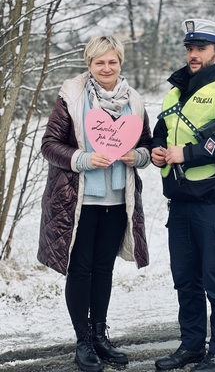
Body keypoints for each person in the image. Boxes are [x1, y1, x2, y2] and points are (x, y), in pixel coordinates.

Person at [37, 35, 152, 372]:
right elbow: (49, 144)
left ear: (120, 63)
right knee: (81, 269)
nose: (106, 68)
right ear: (88, 64)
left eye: (112, 61)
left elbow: (146, 146)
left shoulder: (135, 101)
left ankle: (101, 335)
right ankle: (83, 340)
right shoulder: (71, 96)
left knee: (104, 269)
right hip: (79, 200)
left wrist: (139, 156)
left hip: (118, 201)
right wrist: (82, 159)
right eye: (99, 62)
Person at [151, 19, 215, 372]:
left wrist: (190, 153)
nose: (193, 55)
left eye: (201, 49)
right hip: (179, 203)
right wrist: (156, 150)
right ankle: (192, 346)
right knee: (186, 281)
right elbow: (160, 131)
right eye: (190, 48)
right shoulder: (175, 92)